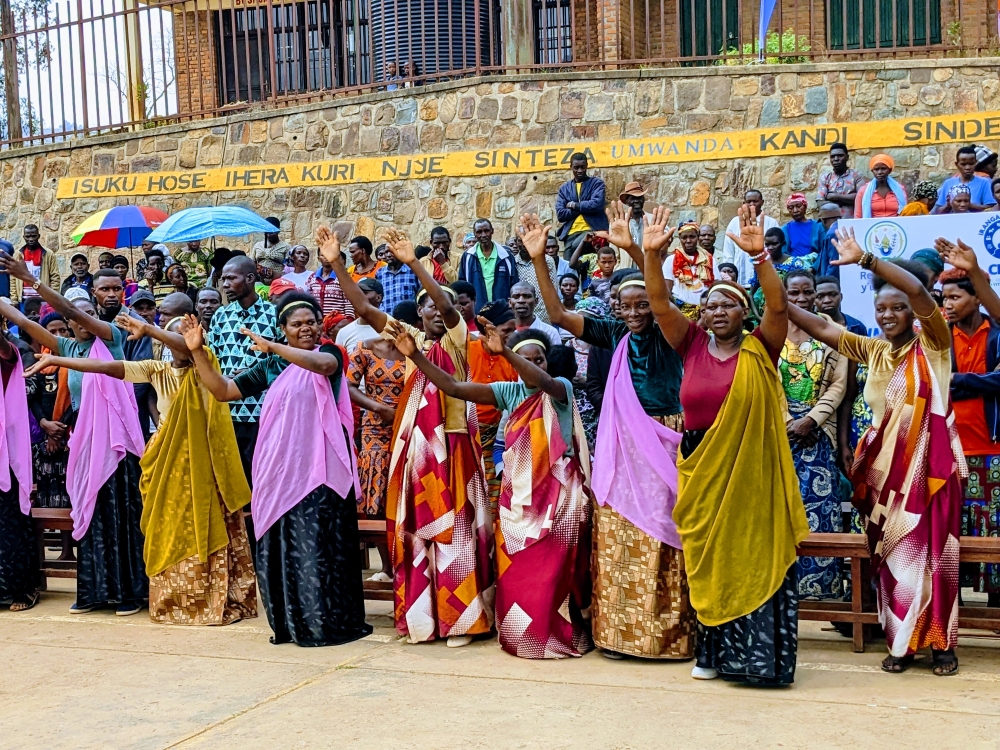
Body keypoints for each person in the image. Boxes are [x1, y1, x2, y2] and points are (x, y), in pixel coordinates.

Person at [787, 227, 963, 677]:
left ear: (914, 312)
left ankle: (942, 644)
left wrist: (866, 260)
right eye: (880, 308)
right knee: (892, 556)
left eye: (897, 307)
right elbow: (822, 327)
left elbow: (921, 290)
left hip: (932, 470)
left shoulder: (935, 344)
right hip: (886, 473)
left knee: (936, 556)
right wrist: (774, 295)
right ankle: (901, 642)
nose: (887, 315)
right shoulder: (875, 352)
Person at [526, 209, 694, 661]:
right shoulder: (616, 333)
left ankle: (666, 639)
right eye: (627, 304)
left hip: (665, 439)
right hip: (623, 445)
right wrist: (541, 259)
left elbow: (658, 300)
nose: (636, 312)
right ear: (616, 306)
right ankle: (619, 637)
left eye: (643, 303)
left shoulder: (670, 331)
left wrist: (638, 252)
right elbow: (558, 314)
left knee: (663, 537)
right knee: (618, 535)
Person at [652, 203, 808, 685]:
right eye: (711, 305)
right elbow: (659, 305)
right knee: (709, 556)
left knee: (753, 552)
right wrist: (651, 256)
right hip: (700, 463)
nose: (718, 311)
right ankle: (712, 655)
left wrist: (760, 258)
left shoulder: (763, 346)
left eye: (729, 304)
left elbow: (779, 306)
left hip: (752, 472)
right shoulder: (691, 343)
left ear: (745, 311)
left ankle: (760, 661)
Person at [317, 224, 493, 647]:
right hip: (413, 450)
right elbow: (362, 306)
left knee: (454, 532)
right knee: (415, 534)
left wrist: (415, 263)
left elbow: (447, 309)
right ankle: (425, 618)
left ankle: (463, 620)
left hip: (451, 448)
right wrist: (337, 262)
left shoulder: (456, 340)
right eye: (426, 308)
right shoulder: (411, 338)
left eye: (441, 306)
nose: (434, 312)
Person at [27, 314, 257, 625]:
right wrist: (61, 359)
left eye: (184, 337)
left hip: (204, 464)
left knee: (204, 529)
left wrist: (154, 330)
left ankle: (209, 599)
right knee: (166, 530)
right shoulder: (156, 369)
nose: (179, 342)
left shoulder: (206, 364)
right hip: (166, 462)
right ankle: (175, 599)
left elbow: (186, 348)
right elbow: (109, 368)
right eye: (171, 337)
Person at [392, 319, 593, 659]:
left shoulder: (559, 389)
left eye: (537, 358)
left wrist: (510, 354)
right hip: (518, 500)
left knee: (555, 577)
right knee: (519, 575)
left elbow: (541, 379)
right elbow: (454, 388)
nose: (532, 365)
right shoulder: (509, 392)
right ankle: (521, 638)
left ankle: (560, 638)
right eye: (524, 359)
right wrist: (417, 357)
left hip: (558, 500)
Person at [182, 293, 372, 647]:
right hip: (280, 471)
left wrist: (272, 346)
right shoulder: (271, 366)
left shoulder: (328, 354)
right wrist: (196, 352)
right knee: (286, 546)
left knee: (319, 548)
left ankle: (326, 624)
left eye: (311, 322)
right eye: (297, 324)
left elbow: (322, 368)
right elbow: (223, 390)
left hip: (322, 472)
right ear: (283, 328)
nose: (306, 328)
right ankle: (291, 624)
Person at [0, 261, 148, 617]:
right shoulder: (68, 347)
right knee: (89, 514)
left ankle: (128, 593)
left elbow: (65, 307)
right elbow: (25, 323)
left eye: (86, 315)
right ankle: (95, 591)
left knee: (118, 518)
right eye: (74, 318)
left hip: (116, 446)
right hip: (85, 442)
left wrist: (31, 280)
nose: (79, 321)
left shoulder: (111, 338)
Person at [935, 243, 1000, 608]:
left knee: (994, 531)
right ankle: (951, 606)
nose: (947, 304)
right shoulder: (942, 336)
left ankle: (995, 608)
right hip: (952, 450)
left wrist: (962, 381)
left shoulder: (996, 334)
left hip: (993, 450)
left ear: (977, 299)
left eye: (956, 297)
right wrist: (981, 379)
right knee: (952, 530)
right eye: (944, 297)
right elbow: (936, 380)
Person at [780, 270, 848, 600]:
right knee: (778, 511)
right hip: (778, 436)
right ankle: (781, 590)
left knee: (821, 513)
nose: (802, 298)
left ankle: (824, 591)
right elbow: (763, 379)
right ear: (784, 294)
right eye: (794, 293)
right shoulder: (770, 331)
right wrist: (786, 421)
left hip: (819, 435)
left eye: (809, 292)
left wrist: (810, 419)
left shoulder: (834, 333)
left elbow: (839, 385)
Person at [207, 254, 279, 546]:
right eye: (224, 278)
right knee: (233, 484)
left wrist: (253, 372)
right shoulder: (221, 316)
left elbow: (287, 360)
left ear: (250, 278)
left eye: (231, 278)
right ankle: (240, 548)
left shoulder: (274, 314)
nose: (225, 284)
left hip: (263, 413)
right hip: (228, 414)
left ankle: (264, 544)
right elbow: (211, 359)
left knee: (262, 483)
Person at [346, 311, 409, 582]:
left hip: (408, 423)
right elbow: (347, 386)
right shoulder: (365, 349)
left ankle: (408, 564)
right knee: (380, 493)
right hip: (375, 428)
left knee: (405, 490)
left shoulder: (414, 352)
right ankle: (386, 567)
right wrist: (377, 407)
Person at [467, 300, 519, 512]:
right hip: (469, 437)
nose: (512, 335)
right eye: (507, 330)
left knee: (496, 501)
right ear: (490, 330)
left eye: (514, 330)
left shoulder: (514, 357)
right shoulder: (466, 351)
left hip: (500, 439)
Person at [0, 319, 37, 611]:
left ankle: (20, 590)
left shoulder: (12, 349)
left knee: (10, 521)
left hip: (6, 447)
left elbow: (6, 354)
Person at [717, 189, 779, 285]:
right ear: (744, 203)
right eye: (749, 201)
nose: (752, 204)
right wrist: (729, 276)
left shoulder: (771, 223)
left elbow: (775, 252)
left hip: (763, 279)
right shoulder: (734, 222)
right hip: (739, 279)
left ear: (762, 202)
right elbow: (728, 252)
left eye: (755, 201)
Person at [458, 219, 518, 312]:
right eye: (479, 232)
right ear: (474, 234)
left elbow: (514, 283)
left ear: (492, 231)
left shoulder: (505, 255)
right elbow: (463, 285)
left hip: (502, 311)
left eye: (486, 231)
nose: (483, 235)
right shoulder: (468, 256)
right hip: (477, 311)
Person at [555, 153, 608, 259]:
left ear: (587, 166)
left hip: (591, 231)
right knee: (568, 271)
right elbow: (560, 214)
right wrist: (581, 208)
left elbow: (597, 204)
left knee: (580, 251)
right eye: (576, 167)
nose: (580, 171)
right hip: (570, 235)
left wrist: (574, 205)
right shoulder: (564, 189)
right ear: (571, 167)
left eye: (582, 167)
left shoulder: (596, 184)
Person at [663, 220, 714, 318]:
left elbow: (715, 286)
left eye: (692, 237)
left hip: (705, 312)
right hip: (679, 311)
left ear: (698, 238)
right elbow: (667, 290)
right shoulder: (671, 260)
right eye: (684, 237)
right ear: (680, 239)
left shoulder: (709, 259)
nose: (688, 241)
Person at [934, 145, 998, 213]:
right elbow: (937, 211)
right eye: (963, 164)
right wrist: (948, 205)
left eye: (971, 164)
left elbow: (992, 209)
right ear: (957, 164)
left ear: (976, 163)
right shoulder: (948, 183)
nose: (967, 167)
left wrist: (971, 206)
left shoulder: (984, 183)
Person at [512, 233, 559, 323]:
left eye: (528, 240)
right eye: (520, 241)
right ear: (516, 242)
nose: (525, 244)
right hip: (519, 316)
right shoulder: (512, 261)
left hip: (543, 316)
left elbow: (553, 289)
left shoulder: (547, 260)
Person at [11, 224, 61, 305]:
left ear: (38, 236)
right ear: (24, 237)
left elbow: (55, 277)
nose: (31, 239)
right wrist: (14, 300)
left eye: (34, 236)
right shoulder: (18, 254)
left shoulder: (48, 254)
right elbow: (13, 278)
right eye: (28, 237)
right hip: (23, 300)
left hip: (43, 299)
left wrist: (52, 298)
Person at [818, 142, 866, 220]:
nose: (836, 159)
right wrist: (849, 199)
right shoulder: (825, 178)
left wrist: (835, 197)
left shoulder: (857, 175)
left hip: (852, 223)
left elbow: (862, 199)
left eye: (840, 156)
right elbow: (820, 203)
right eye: (832, 156)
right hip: (831, 224)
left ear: (847, 157)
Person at [306, 242, 352, 318]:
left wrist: (348, 320)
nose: (326, 257)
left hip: (338, 323)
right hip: (318, 322)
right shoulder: (312, 278)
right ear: (318, 258)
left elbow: (349, 302)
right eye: (322, 255)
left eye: (328, 254)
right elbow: (309, 301)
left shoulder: (342, 277)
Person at [336, 278, 382, 354]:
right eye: (356, 293)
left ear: (378, 297)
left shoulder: (392, 329)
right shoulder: (344, 333)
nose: (357, 297)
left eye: (364, 293)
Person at [510, 282, 562, 348]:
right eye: (516, 297)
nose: (521, 301)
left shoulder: (550, 332)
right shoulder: (504, 333)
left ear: (536, 301)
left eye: (527, 296)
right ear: (510, 302)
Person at [855, 154, 907, 219]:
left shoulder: (900, 189)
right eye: (876, 169)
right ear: (872, 171)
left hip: (895, 227)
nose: (880, 172)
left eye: (883, 168)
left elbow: (905, 214)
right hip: (872, 228)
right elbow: (858, 217)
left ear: (890, 170)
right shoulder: (863, 191)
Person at [375, 243, 421, 313]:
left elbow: (420, 295)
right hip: (386, 318)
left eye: (392, 251)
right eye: (387, 252)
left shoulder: (412, 270)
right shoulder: (380, 273)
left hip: (408, 318)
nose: (388, 255)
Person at [616, 182, 651, 270]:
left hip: (647, 271)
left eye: (639, 198)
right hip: (626, 273)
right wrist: (618, 270)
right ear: (626, 202)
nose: (637, 201)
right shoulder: (618, 223)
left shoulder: (651, 219)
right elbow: (614, 253)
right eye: (633, 198)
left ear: (643, 200)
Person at [782, 194, 823, 258]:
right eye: (791, 207)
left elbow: (823, 251)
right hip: (793, 266)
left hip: (814, 265)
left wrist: (813, 267)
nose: (795, 210)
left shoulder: (818, 226)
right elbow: (783, 252)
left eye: (798, 206)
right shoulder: (785, 229)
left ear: (805, 207)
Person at [815, 203, 844, 278]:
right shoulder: (842, 228)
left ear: (823, 221)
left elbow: (834, 262)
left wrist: (826, 280)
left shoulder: (832, 233)